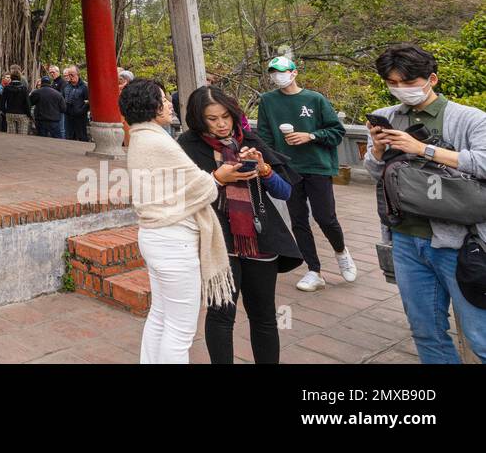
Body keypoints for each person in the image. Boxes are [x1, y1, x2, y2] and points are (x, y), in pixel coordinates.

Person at [366, 43, 486, 363]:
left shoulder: (468, 118)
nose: (401, 90)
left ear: (431, 79)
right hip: (406, 239)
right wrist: (377, 150)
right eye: (392, 83)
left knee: (480, 335)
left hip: (462, 242)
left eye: (408, 82)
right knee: (426, 331)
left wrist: (423, 149)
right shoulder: (387, 117)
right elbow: (376, 173)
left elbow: (484, 163)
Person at [179, 86, 302, 364]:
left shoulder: (249, 140)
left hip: (259, 237)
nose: (222, 124)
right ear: (199, 120)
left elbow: (285, 192)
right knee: (222, 314)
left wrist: (264, 169)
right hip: (218, 240)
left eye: (226, 116)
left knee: (264, 316)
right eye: (212, 119)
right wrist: (217, 177)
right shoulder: (187, 146)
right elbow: (180, 196)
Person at [122, 77, 236, 364]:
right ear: (152, 105)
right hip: (174, 243)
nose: (169, 103)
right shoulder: (158, 142)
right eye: (163, 99)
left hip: (156, 236)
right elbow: (201, 186)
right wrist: (219, 176)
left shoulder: (140, 136)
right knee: (180, 329)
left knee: (160, 315)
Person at [255, 55, 356, 292]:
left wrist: (310, 136)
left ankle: (341, 252)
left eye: (282, 71)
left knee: (325, 217)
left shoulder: (314, 99)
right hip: (289, 169)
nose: (277, 76)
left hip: (317, 166)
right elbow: (264, 135)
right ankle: (314, 270)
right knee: (298, 219)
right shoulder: (268, 101)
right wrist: (273, 163)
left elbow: (336, 131)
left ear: (294, 72)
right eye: (273, 72)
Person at [62, 65, 90, 142]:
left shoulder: (84, 87)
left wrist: (81, 111)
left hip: (80, 117)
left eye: (72, 75)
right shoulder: (66, 86)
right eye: (69, 75)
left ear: (78, 74)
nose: (70, 77)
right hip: (68, 116)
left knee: (82, 137)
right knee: (69, 137)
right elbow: (63, 98)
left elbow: (89, 102)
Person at [2, 67, 32, 135]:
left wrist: (5, 112)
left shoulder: (6, 88)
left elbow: (2, 102)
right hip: (22, 115)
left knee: (11, 136)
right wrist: (29, 114)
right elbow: (27, 103)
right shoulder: (24, 89)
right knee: (22, 136)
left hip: (10, 114)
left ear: (11, 77)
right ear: (20, 77)